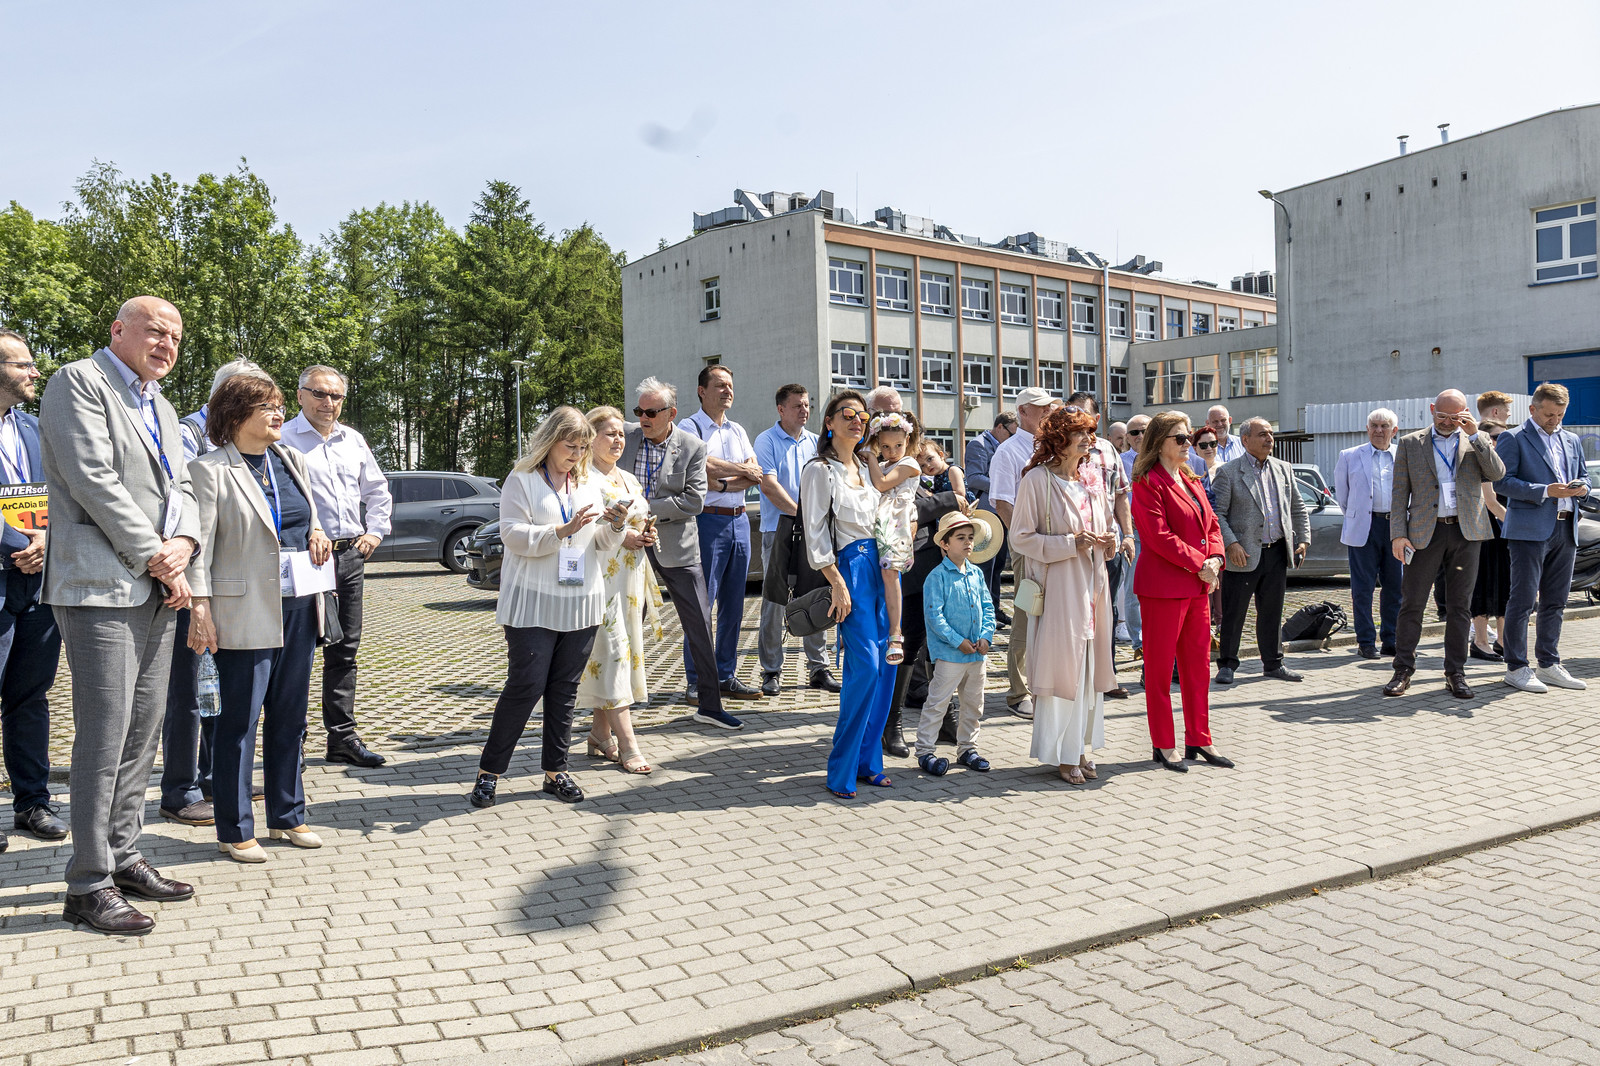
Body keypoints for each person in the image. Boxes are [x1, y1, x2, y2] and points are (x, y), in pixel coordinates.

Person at [41, 296, 199, 934]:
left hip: (158, 584)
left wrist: (184, 542)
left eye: (176, 337)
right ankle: (87, 884)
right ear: (117, 330)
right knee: (104, 735)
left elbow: (183, 487)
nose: (167, 344)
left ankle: (124, 856)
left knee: (142, 731)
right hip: (99, 585)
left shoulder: (161, 405)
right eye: (156, 331)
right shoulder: (78, 381)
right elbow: (91, 479)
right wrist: (157, 555)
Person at [186, 373, 332, 862]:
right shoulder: (208, 470)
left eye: (278, 405)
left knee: (290, 718)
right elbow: (198, 547)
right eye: (266, 406)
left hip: (298, 606)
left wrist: (317, 531)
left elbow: (304, 516)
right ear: (234, 414)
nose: (278, 413)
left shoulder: (291, 459)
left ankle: (288, 815)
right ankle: (234, 828)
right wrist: (200, 607)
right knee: (238, 724)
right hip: (241, 611)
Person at [470, 407, 631, 809]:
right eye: (570, 446)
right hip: (532, 601)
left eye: (583, 447)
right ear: (550, 441)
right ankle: (489, 773)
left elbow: (600, 542)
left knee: (564, 689)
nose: (577, 454)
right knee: (525, 685)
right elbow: (511, 534)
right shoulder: (522, 478)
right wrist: (562, 530)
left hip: (581, 601)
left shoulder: (589, 481)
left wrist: (615, 525)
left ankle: (556, 772)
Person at [160, 357, 266, 828]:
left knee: (217, 689)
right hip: (189, 578)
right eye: (253, 397)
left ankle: (214, 778)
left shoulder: (247, 441)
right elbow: (179, 503)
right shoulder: (187, 434)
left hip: (232, 585)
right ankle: (179, 790)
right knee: (188, 691)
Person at [279, 365, 393, 769]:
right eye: (319, 393)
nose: (328, 403)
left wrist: (375, 532)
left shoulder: (353, 440)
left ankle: (342, 738)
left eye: (336, 396)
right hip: (306, 558)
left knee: (345, 650)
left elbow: (377, 491)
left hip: (349, 557)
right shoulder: (282, 438)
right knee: (297, 653)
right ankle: (291, 741)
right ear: (300, 395)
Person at [621, 377, 742, 728]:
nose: (643, 418)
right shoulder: (625, 436)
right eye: (639, 411)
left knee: (700, 625)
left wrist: (645, 507)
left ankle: (710, 706)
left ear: (671, 413)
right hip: (627, 545)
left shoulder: (692, 446)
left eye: (651, 412)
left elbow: (693, 501)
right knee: (622, 624)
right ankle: (613, 705)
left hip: (677, 547)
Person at [1010, 407, 1118, 784]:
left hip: (1092, 585)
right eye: (1079, 433)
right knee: (1062, 669)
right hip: (1058, 586)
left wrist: (1110, 540)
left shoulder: (1091, 478)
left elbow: (1106, 524)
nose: (1088, 439)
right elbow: (1020, 538)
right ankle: (1062, 752)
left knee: (1087, 669)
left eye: (1090, 432)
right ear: (1059, 439)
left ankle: (1080, 747)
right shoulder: (1037, 480)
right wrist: (1070, 543)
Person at [801, 391, 897, 798]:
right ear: (829, 423)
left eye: (862, 415)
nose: (857, 420)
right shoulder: (819, 470)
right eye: (847, 414)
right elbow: (815, 533)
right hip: (851, 569)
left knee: (888, 664)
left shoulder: (867, 465)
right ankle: (841, 766)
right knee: (866, 668)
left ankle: (868, 762)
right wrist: (837, 582)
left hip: (884, 567)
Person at [1384, 389, 1506, 699]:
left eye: (1455, 417)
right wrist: (1398, 534)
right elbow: (1399, 493)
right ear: (1431, 409)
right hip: (1424, 533)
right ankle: (1403, 669)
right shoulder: (1411, 443)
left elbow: (1497, 473)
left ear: (1465, 413)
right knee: (1412, 603)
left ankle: (1455, 672)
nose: (1448, 422)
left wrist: (1475, 435)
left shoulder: (1477, 439)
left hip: (1467, 533)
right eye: (1442, 416)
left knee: (1460, 606)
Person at [1130, 411, 1231, 773]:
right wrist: (1201, 562)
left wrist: (1215, 558)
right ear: (1160, 443)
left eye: (1189, 437)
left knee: (1197, 668)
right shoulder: (1147, 482)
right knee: (1160, 672)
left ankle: (1199, 738)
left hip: (1197, 585)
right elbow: (1158, 536)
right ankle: (1163, 743)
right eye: (1181, 438)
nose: (1190, 443)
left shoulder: (1189, 477)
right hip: (1163, 589)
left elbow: (1212, 523)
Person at [0, 330, 64, 850]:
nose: (34, 372)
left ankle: (32, 803)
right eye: (22, 364)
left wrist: (46, 538)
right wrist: (18, 542)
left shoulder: (33, 427)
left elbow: (58, 491)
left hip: (38, 584)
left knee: (30, 696)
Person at [577, 406, 660, 774]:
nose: (617, 440)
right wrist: (621, 535)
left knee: (615, 655)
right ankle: (628, 744)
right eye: (609, 433)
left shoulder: (628, 478)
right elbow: (585, 525)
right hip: (600, 577)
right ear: (591, 437)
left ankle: (600, 734)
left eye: (621, 434)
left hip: (631, 579)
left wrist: (646, 534)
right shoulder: (583, 478)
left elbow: (639, 517)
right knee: (613, 653)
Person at [1495, 383, 1590, 693]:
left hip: (1566, 528)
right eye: (1549, 414)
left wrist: (1583, 488)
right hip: (1528, 531)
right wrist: (1545, 491)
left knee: (1556, 602)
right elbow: (1502, 483)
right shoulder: (1513, 438)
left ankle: (1548, 664)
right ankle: (1516, 667)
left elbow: (1584, 476)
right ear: (1533, 409)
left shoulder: (1571, 439)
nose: (1555, 420)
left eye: (1560, 414)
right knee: (1523, 601)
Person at [681, 365, 763, 699]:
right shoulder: (689, 426)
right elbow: (702, 464)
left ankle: (726, 675)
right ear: (702, 391)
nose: (727, 390)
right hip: (708, 521)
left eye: (730, 385)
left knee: (734, 605)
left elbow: (755, 472)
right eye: (720, 385)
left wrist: (724, 480)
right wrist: (739, 471)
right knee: (702, 604)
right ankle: (697, 679)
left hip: (739, 521)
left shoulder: (737, 429)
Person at [1211, 418, 1311, 685]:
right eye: (1262, 434)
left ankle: (1273, 663)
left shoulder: (1283, 468)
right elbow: (1217, 514)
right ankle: (1227, 664)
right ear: (1245, 440)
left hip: (1276, 551)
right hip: (1243, 553)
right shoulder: (1229, 472)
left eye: (1271, 434)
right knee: (1234, 613)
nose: (1269, 439)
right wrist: (1231, 544)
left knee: (1272, 612)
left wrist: (1303, 539)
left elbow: (1297, 506)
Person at [754, 385, 836, 696]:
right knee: (775, 602)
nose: (804, 410)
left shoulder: (816, 442)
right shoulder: (767, 440)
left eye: (806, 405)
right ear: (781, 409)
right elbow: (769, 486)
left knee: (817, 596)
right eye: (797, 406)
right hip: (779, 531)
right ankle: (771, 670)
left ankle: (818, 668)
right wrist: (802, 516)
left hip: (813, 531)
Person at [990, 387, 1063, 720]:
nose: (1048, 412)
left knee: (1054, 614)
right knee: (1025, 613)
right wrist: (1023, 542)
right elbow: (1002, 503)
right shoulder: (1007, 451)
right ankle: (1019, 692)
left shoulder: (1053, 446)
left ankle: (1046, 683)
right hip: (1029, 546)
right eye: (1041, 408)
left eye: (1050, 407)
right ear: (1022, 411)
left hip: (1059, 543)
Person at [914, 512, 996, 777]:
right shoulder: (936, 577)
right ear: (945, 544)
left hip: (977, 654)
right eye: (960, 538)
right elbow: (934, 617)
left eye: (970, 537)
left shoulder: (976, 574)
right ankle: (925, 750)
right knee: (938, 702)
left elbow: (988, 607)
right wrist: (957, 641)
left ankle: (967, 748)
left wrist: (986, 636)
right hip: (950, 655)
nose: (967, 542)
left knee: (973, 704)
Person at [1066, 390, 1133, 700]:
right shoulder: (1059, 449)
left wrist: (1127, 535)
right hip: (1073, 546)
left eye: (1083, 413)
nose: (1076, 419)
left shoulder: (1107, 449)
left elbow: (1121, 495)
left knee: (1106, 611)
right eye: (1070, 412)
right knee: (1075, 611)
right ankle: (1075, 678)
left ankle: (1107, 677)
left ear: (1096, 418)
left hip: (1107, 545)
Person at [1333, 408, 1403, 660]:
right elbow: (1343, 496)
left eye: (1384, 426)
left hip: (1396, 528)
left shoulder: (1403, 455)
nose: (1378, 430)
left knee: (1395, 587)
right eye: (1374, 425)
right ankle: (1365, 641)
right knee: (1362, 589)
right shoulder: (1350, 455)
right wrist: (1360, 516)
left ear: (1394, 431)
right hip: (1364, 527)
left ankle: (1391, 639)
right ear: (1367, 429)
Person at [863, 410, 924, 665]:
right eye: (885, 447)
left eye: (898, 445)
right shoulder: (882, 465)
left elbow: (882, 484)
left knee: (890, 574)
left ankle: (895, 634)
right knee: (874, 575)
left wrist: (869, 456)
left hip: (896, 522)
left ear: (907, 441)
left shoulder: (909, 464)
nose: (892, 451)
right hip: (877, 521)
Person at [965, 411, 1016, 624]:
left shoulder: (1005, 445)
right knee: (985, 566)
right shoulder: (978, 445)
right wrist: (1004, 485)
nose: (1013, 438)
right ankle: (982, 614)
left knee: (998, 566)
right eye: (1011, 434)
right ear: (1000, 427)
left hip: (1001, 512)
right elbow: (974, 478)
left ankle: (994, 609)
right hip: (987, 513)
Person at [1470, 420, 1511, 662]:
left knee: (1505, 585)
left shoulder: (1502, 462)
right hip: (1486, 531)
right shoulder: (1482, 462)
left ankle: (1504, 641)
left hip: (1503, 532)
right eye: (1495, 437)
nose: (1499, 442)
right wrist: (1517, 526)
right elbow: (1491, 501)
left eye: (1503, 437)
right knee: (1484, 585)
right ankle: (1480, 642)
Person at [1118, 413, 1150, 659]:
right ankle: (1139, 642)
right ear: (1127, 438)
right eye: (1134, 432)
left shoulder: (1163, 458)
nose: (1140, 436)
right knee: (1133, 588)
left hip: (1160, 532)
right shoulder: (1119, 462)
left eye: (1144, 430)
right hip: (1133, 534)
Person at [1188, 405, 1244, 474]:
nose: (1220, 424)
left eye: (1223, 420)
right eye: (1215, 421)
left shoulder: (1243, 444)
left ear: (1230, 420)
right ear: (1207, 423)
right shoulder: (1194, 448)